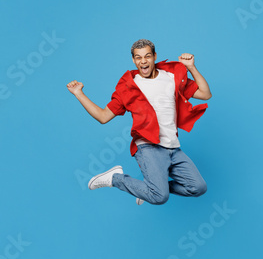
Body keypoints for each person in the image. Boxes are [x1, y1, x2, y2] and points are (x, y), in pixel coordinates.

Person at [67, 39, 212, 205]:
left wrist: (191, 67)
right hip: (148, 146)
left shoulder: (171, 77)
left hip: (173, 147)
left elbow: (205, 94)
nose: (143, 61)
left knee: (198, 187)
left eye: (147, 56)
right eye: (138, 57)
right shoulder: (129, 87)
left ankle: (147, 189)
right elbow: (103, 116)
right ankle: (116, 179)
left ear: (155, 56)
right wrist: (79, 93)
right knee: (160, 197)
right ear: (133, 60)